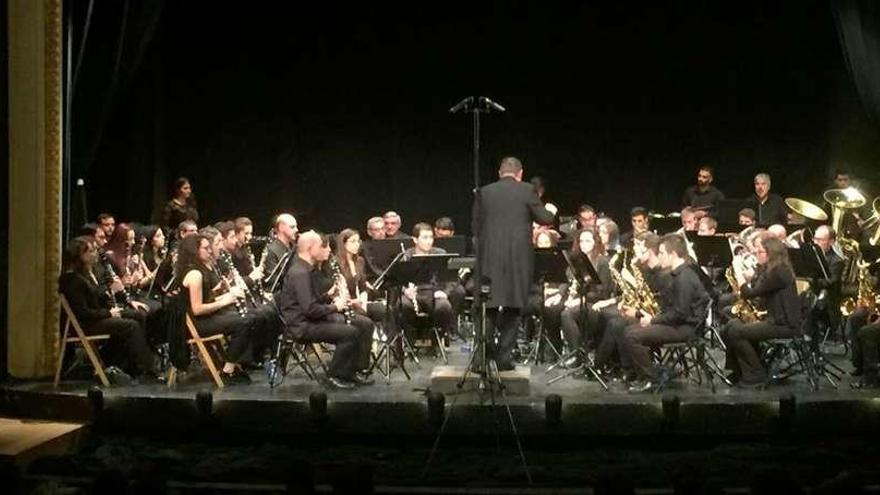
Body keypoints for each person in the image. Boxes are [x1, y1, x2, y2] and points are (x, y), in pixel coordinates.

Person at [475, 156, 555, 371]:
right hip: (516, 260)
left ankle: (480, 360)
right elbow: (545, 218)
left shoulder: (485, 191)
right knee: (513, 307)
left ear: (499, 173)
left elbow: (476, 224)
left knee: (487, 307)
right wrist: (551, 211)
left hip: (489, 259)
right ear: (520, 174)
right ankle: (502, 360)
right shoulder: (526, 190)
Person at [277, 231, 374, 389]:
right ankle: (334, 375)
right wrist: (336, 306)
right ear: (310, 248)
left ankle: (351, 371)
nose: (327, 249)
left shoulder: (307, 269)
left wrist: (329, 296)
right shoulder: (300, 273)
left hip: (310, 319)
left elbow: (311, 302)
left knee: (361, 324)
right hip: (301, 326)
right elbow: (309, 310)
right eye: (321, 246)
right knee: (350, 332)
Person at [58, 236, 158, 382]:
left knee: (138, 315)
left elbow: (99, 297)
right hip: (86, 324)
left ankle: (129, 365)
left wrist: (112, 295)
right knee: (131, 326)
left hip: (98, 317)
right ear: (79, 257)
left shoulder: (91, 273)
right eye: (90, 251)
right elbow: (82, 313)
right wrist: (109, 312)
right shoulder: (72, 279)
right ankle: (148, 370)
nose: (95, 254)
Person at [622, 234, 710, 391]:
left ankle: (652, 379)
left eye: (662, 253)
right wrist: (642, 315)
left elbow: (680, 314)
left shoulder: (684, 278)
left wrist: (652, 321)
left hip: (686, 329)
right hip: (679, 324)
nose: (659, 256)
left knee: (632, 335)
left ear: (673, 254)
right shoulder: (678, 275)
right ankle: (646, 374)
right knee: (629, 330)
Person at [176, 234, 256, 385]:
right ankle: (228, 370)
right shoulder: (195, 274)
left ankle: (230, 365)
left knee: (247, 317)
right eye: (205, 248)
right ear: (195, 252)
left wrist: (222, 292)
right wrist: (225, 301)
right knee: (244, 322)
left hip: (204, 319)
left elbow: (206, 299)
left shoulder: (200, 270)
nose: (210, 251)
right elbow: (197, 309)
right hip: (198, 324)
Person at [721, 237, 802, 386]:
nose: (756, 254)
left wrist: (738, 272)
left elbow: (749, 293)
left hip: (785, 325)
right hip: (772, 320)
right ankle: (738, 371)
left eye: (760, 251)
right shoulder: (770, 270)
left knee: (736, 332)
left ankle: (755, 374)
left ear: (771, 253)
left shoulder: (779, 272)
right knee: (730, 325)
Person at [400, 223, 455, 342]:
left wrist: (445, 292)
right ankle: (411, 339)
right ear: (415, 239)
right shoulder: (406, 256)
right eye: (425, 238)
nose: (429, 241)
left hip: (434, 293)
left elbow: (451, 278)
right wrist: (405, 291)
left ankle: (436, 338)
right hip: (414, 294)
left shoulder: (440, 253)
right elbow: (397, 279)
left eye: (431, 237)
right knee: (403, 306)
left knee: (444, 306)